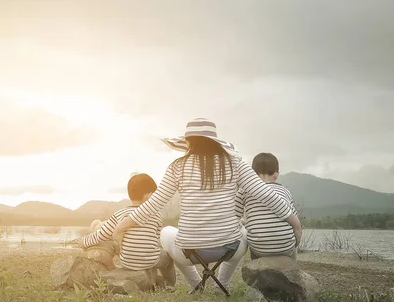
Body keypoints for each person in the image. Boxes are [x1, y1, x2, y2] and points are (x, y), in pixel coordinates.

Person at [113, 118, 299, 289]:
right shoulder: (235, 163)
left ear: (189, 142)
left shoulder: (178, 166)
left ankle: (195, 283)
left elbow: (152, 204)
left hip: (188, 253)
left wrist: (122, 225)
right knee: (243, 230)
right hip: (229, 250)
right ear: (215, 143)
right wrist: (295, 224)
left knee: (165, 232)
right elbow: (267, 195)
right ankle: (222, 284)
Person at [81, 173, 177, 286]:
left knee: (119, 243)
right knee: (168, 259)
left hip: (128, 262)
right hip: (150, 260)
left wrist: (84, 242)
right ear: (150, 196)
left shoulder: (120, 214)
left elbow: (101, 234)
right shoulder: (156, 215)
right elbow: (155, 239)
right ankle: (170, 284)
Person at [235, 152, 302, 260]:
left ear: (252, 173)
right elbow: (294, 218)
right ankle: (292, 267)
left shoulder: (244, 191)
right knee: (292, 248)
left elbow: (235, 215)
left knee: (251, 235)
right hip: (285, 247)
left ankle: (257, 267)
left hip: (259, 248)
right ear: (276, 174)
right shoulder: (285, 191)